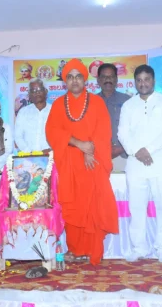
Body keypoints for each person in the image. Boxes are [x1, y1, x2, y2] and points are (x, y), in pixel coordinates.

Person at [45, 58, 119, 265]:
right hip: (69, 164)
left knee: (92, 206)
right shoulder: (58, 104)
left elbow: (103, 132)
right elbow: (52, 132)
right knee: (73, 208)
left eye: (78, 76)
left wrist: (90, 150)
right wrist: (79, 144)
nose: (74, 80)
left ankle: (93, 250)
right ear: (65, 81)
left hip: (92, 163)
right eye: (70, 77)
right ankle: (75, 250)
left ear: (85, 79)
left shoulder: (96, 102)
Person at [118, 64, 162, 262]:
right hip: (135, 164)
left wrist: (148, 150)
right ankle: (139, 248)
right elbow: (122, 133)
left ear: (153, 81)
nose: (143, 83)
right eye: (139, 80)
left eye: (146, 79)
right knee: (136, 208)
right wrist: (136, 151)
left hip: (160, 163)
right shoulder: (128, 105)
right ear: (135, 82)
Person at [97, 63, 131, 172]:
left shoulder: (127, 101)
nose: (108, 80)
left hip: (123, 156)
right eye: (104, 77)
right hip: (97, 158)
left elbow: (136, 129)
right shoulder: (91, 102)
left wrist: (121, 148)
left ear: (116, 79)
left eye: (111, 76)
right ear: (98, 80)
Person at [15, 78, 52, 153]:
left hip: (50, 157)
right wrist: (30, 153)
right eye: (33, 90)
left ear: (45, 91)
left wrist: (51, 150)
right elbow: (18, 137)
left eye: (39, 89)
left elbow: (60, 136)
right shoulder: (23, 112)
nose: (37, 92)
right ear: (29, 94)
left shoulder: (54, 111)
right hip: (28, 157)